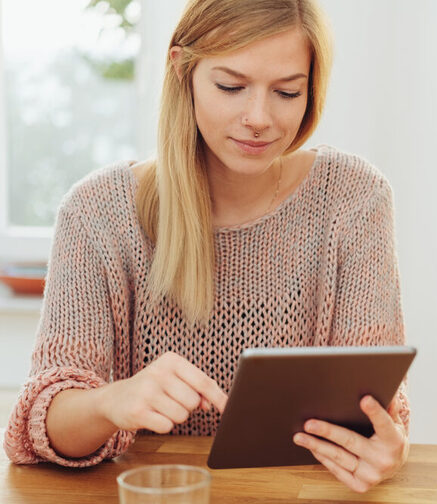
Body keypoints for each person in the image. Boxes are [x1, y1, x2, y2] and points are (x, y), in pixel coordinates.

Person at [4, 0, 410, 493]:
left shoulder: (354, 199)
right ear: (183, 71)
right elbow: (37, 428)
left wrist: (390, 447)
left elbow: (378, 406)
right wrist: (112, 401)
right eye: (231, 87)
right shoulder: (97, 213)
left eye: (286, 92)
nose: (258, 117)